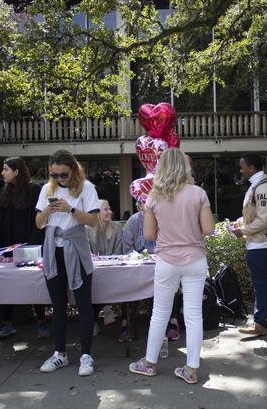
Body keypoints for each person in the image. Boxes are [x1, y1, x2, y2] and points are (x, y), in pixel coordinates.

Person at [129, 148, 215, 385]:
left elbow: (148, 234)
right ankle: (191, 369)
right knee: (193, 315)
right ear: (185, 167)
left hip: (166, 260)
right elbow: (209, 229)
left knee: (159, 313)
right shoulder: (198, 193)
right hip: (195, 259)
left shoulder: (154, 197)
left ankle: (149, 363)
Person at [35, 150, 100, 376]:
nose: (58, 179)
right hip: (54, 251)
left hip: (77, 249)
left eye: (62, 175)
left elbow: (93, 220)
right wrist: (47, 210)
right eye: (54, 175)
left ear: (72, 169)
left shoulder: (86, 187)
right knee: (58, 305)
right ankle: (59, 353)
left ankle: (86, 356)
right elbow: (38, 224)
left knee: (83, 304)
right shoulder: (47, 189)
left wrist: (70, 209)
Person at [0, 157, 49, 340]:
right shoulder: (4, 192)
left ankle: (42, 321)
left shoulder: (34, 191)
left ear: (16, 171)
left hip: (30, 246)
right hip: (8, 247)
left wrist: (33, 245)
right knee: (7, 283)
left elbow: (39, 221)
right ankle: (7, 322)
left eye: (6, 169)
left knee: (32, 282)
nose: (3, 173)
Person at [231, 152, 267, 337]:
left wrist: (242, 230)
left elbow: (264, 220)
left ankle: (260, 323)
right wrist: (241, 222)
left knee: (260, 283)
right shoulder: (258, 186)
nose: (241, 170)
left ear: (251, 168)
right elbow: (256, 215)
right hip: (265, 241)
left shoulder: (261, 188)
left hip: (260, 243)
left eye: (242, 166)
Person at [123, 202, 182, 342]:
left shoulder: (164, 219)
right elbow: (126, 249)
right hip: (138, 268)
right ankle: (126, 324)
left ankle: (172, 323)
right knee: (126, 284)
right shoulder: (134, 221)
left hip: (161, 265)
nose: (148, 204)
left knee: (170, 280)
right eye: (144, 202)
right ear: (139, 205)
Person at [87, 199, 123, 339]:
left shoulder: (117, 228)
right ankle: (94, 321)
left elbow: (119, 252)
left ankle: (101, 315)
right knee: (92, 285)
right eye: (105, 209)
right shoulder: (87, 230)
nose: (110, 212)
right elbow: (87, 253)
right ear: (96, 213)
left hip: (112, 270)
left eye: (109, 209)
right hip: (94, 271)